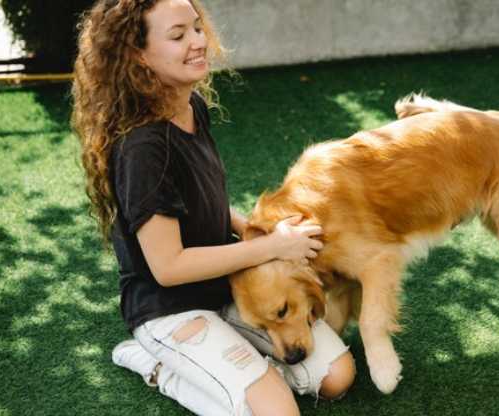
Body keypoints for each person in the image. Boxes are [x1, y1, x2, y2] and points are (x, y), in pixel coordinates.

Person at [71, 1, 356, 415]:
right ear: (137, 55)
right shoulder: (144, 149)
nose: (198, 42)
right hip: (168, 308)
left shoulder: (191, 107)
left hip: (224, 287)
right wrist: (273, 247)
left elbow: (206, 204)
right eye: (177, 35)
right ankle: (157, 366)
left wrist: (258, 230)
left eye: (197, 28)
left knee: (334, 378)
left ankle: (237, 369)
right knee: (277, 412)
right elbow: (169, 267)